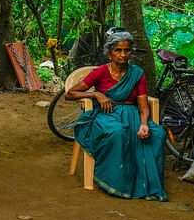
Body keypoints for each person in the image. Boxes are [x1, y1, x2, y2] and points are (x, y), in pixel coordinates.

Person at [66, 29, 168, 201]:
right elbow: (70, 94)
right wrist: (95, 94)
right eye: (118, 51)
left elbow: (143, 105)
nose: (123, 54)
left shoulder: (137, 73)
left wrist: (144, 124)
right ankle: (107, 179)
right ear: (109, 53)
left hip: (133, 114)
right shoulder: (100, 72)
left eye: (127, 50)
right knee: (117, 132)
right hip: (106, 114)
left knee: (157, 134)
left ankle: (145, 182)